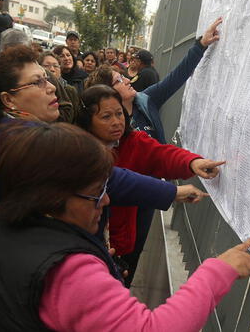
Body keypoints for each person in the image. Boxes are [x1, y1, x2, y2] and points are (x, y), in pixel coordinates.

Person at [0, 44, 207, 315]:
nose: (51, 87)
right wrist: (171, 192)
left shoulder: (7, 132)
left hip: (9, 275)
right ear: (8, 100)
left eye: (47, 77)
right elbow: (105, 177)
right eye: (37, 82)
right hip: (17, 288)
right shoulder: (23, 141)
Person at [0, 121, 250, 331]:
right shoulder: (65, 271)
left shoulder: (3, 225)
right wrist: (219, 271)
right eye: (96, 193)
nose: (106, 200)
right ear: (50, 198)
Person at [78, 85, 226, 287]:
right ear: (88, 121)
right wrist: (172, 192)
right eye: (106, 117)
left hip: (122, 244)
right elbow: (118, 183)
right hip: (86, 244)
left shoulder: (134, 142)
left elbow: (163, 155)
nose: (116, 122)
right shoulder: (77, 151)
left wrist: (192, 162)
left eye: (119, 113)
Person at [85, 17, 223, 144]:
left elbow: (177, 76)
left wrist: (201, 44)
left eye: (123, 76)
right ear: (108, 92)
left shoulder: (145, 100)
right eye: (118, 81)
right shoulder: (109, 133)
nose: (127, 80)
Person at [39, 51, 81, 123]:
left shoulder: (70, 90)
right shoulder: (36, 90)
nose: (52, 69)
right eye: (46, 66)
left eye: (55, 66)